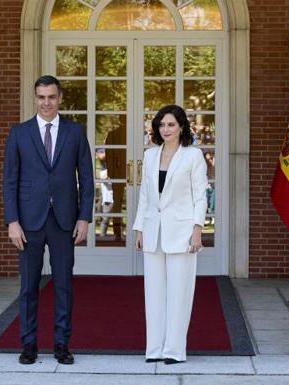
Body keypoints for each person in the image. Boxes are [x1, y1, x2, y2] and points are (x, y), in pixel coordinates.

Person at [2, 75, 93, 365]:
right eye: (41, 97)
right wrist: (12, 221)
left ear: (60, 98)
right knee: (29, 286)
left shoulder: (75, 132)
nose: (46, 102)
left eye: (51, 97)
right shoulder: (19, 133)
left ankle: (61, 344)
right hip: (28, 222)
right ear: (35, 98)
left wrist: (84, 218)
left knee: (63, 284)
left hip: (64, 220)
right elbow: (9, 181)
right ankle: (28, 345)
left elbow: (87, 179)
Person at [132, 104, 207, 364]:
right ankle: (154, 349)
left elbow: (200, 196)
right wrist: (139, 228)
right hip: (153, 231)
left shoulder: (193, 156)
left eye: (171, 125)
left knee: (180, 292)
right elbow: (145, 196)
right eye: (162, 125)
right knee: (153, 293)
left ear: (182, 127)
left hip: (183, 232)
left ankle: (174, 351)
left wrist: (198, 230)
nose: (166, 129)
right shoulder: (151, 155)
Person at [96, 149, 114, 237]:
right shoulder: (103, 171)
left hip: (110, 197)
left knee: (105, 219)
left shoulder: (112, 169)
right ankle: (102, 237)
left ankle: (102, 236)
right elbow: (101, 156)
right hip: (107, 198)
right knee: (104, 218)